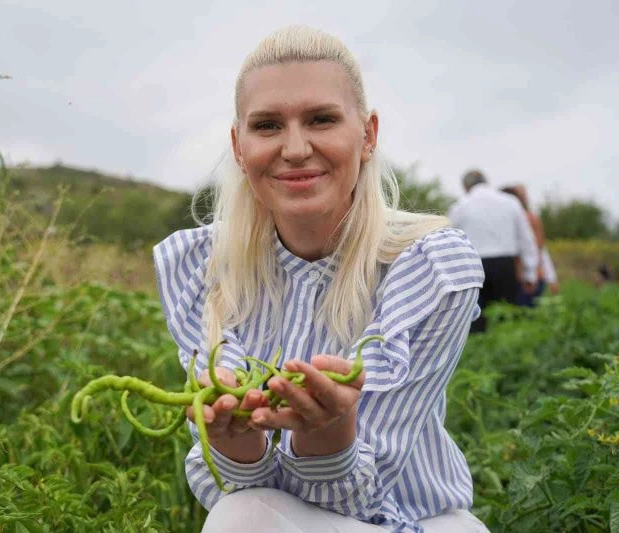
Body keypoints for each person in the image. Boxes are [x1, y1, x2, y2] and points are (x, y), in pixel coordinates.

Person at [153, 26, 489, 532]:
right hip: (268, 519)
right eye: (267, 126)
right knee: (239, 514)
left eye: (321, 119)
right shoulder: (201, 265)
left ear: (368, 134)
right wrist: (232, 436)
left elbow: (367, 495)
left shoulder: (429, 266)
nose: (294, 148)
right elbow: (239, 491)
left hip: (421, 522)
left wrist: (328, 436)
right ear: (239, 147)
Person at [448, 171, 538, 331]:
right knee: (506, 318)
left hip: (472, 266)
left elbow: (450, 240)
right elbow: (526, 238)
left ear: (465, 186)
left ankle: (481, 351)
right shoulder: (510, 202)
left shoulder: (460, 206)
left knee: (476, 320)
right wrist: (530, 272)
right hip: (505, 266)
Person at [499, 185, 558, 305]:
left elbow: (539, 250)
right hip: (528, 277)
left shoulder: (529, 219)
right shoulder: (526, 218)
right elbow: (540, 250)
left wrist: (549, 277)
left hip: (526, 279)